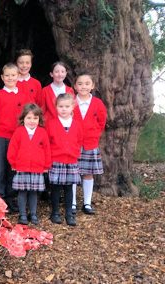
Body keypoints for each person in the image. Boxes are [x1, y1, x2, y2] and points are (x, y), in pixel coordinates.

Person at [0, 63, 33, 213]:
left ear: (18, 77)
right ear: (2, 77)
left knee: (13, 168)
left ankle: (10, 198)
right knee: (0, 168)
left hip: (16, 137)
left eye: (13, 75)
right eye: (7, 75)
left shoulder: (23, 96)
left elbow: (26, 117)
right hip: (0, 136)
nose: (10, 78)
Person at [7, 104, 51, 225]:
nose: (32, 121)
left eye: (35, 118)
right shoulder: (19, 132)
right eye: (29, 118)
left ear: (39, 119)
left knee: (33, 192)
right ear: (23, 119)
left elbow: (47, 150)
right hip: (22, 167)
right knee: (22, 192)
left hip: (37, 168)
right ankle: (22, 215)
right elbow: (12, 149)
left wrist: (46, 166)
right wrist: (13, 162)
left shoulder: (42, 132)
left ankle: (33, 214)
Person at [72, 72, 107, 215]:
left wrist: (94, 134)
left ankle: (86, 203)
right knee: (73, 173)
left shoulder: (97, 103)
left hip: (90, 143)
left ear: (92, 86)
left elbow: (101, 122)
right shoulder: (71, 102)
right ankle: (72, 202)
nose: (83, 86)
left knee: (88, 174)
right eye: (80, 84)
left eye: (87, 84)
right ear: (75, 86)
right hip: (73, 143)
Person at [46, 93, 83, 226]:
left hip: (71, 160)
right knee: (55, 188)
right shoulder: (51, 124)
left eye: (67, 106)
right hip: (56, 160)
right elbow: (47, 143)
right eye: (61, 106)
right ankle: (55, 213)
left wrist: (74, 153)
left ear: (73, 107)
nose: (64, 109)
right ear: (56, 107)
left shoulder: (77, 124)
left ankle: (69, 213)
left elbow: (79, 141)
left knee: (68, 188)